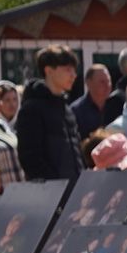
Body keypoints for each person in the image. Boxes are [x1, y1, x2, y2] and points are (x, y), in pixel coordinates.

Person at [14, 45, 81, 182]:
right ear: (49, 71)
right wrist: (54, 184)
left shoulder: (67, 109)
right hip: (51, 194)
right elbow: (30, 158)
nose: (73, 75)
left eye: (74, 70)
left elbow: (75, 152)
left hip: (75, 190)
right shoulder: (31, 109)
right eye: (68, 69)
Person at [71, 63, 115, 136]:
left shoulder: (116, 106)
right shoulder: (76, 111)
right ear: (89, 83)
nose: (107, 85)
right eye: (102, 82)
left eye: (108, 81)